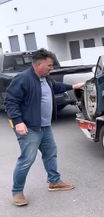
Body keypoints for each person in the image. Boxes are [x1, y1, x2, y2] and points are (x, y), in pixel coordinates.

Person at [5, 48, 85, 206]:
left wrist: (74, 86)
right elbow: (11, 101)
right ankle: (17, 191)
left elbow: (56, 87)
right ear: (38, 64)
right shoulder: (24, 78)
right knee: (26, 160)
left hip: (45, 126)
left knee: (50, 153)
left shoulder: (46, 78)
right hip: (29, 127)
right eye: (49, 65)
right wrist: (18, 121)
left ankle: (54, 182)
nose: (52, 68)